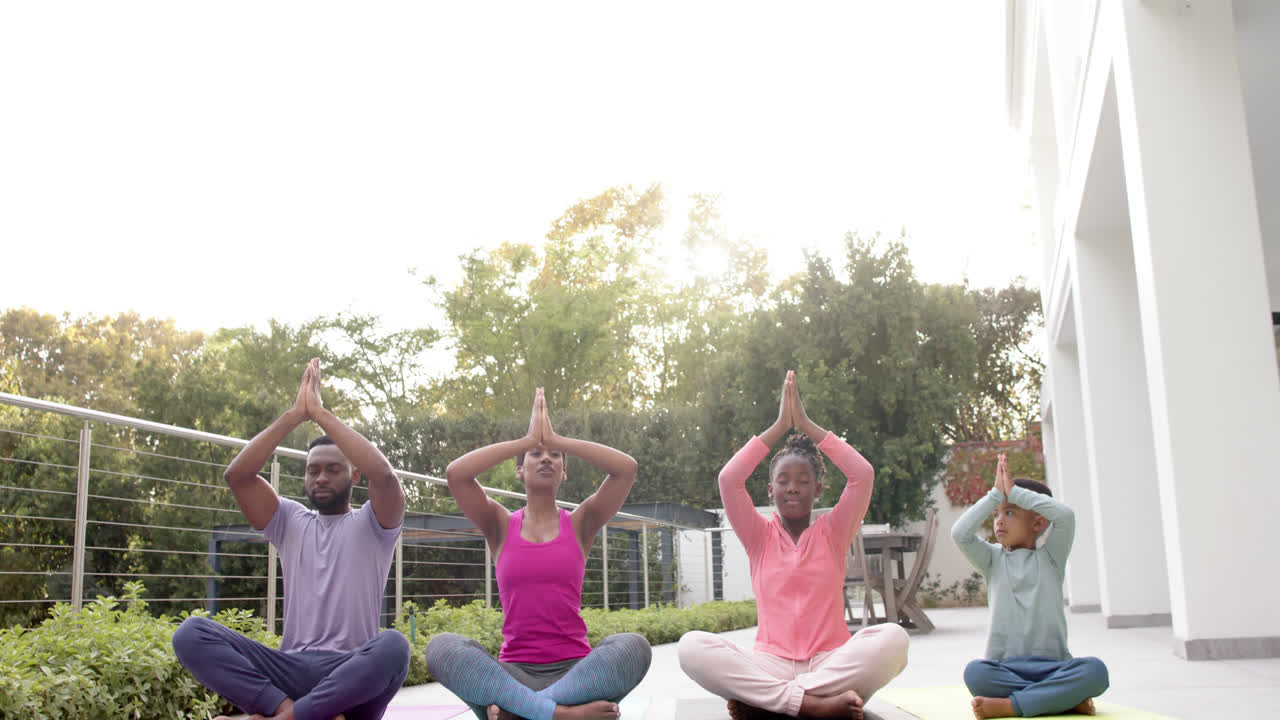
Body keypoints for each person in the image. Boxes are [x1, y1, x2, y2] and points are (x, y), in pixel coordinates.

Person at [172, 359, 410, 720]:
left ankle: (290, 716)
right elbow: (238, 476)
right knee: (191, 633)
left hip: (349, 677)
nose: (321, 478)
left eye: (333, 469)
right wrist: (295, 415)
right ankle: (289, 711)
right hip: (290, 669)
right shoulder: (289, 520)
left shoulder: (374, 522)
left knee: (394, 646)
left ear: (354, 475)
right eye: (313, 470)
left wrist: (321, 414)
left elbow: (386, 477)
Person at [679, 371, 909, 720]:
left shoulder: (834, 531)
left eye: (803, 481)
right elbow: (729, 479)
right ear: (770, 490)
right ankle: (812, 705)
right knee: (691, 647)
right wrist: (779, 427)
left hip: (830, 660)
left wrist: (806, 424)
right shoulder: (758, 536)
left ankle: (774, 703)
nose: (792, 488)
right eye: (783, 480)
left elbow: (862, 475)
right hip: (771, 662)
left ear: (818, 489)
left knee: (894, 639)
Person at [425, 388, 652, 720]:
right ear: (520, 470)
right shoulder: (500, 523)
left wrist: (557, 439)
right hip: (514, 674)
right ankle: (563, 715)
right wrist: (526, 440)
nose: (546, 458)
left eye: (555, 456)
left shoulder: (581, 522)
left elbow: (626, 469)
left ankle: (521, 713)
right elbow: (456, 474)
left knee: (634, 647)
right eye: (535, 454)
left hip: (576, 673)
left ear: (564, 471)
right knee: (442, 648)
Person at [952, 453, 1109, 719]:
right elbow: (960, 534)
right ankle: (1061, 700)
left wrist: (1014, 492)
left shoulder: (1051, 558)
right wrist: (995, 495)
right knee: (975, 673)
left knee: (1096, 671)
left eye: (1010, 512)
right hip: (1005, 669)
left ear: (1038, 522)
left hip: (1055, 668)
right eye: (997, 513)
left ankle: (1012, 706)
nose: (999, 520)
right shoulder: (992, 560)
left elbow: (1066, 516)